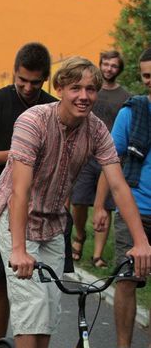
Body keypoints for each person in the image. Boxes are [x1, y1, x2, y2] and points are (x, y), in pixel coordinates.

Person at [0, 56, 151, 348]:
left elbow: (120, 186)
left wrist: (141, 241)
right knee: (31, 298)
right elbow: (20, 190)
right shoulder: (33, 121)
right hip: (15, 218)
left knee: (51, 301)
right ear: (59, 89)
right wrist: (18, 249)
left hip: (52, 221)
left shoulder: (95, 129)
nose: (84, 96)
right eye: (75, 88)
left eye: (91, 89)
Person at [0, 42, 60, 347]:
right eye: (22, 80)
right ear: (14, 72)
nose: (28, 87)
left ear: (46, 78)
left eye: (35, 82)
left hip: (44, 205)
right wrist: (18, 155)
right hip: (1, 202)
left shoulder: (53, 107)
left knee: (42, 283)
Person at [97, 48, 151, 348]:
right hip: (135, 210)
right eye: (146, 76)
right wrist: (101, 205)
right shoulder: (133, 112)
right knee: (126, 280)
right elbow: (110, 159)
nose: (150, 82)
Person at [71, 50, 131, 268]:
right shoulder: (90, 91)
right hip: (86, 154)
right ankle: (79, 236)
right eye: (105, 64)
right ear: (100, 65)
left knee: (105, 205)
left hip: (112, 157)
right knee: (78, 200)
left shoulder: (126, 96)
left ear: (119, 69)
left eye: (113, 65)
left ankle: (97, 254)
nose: (108, 69)